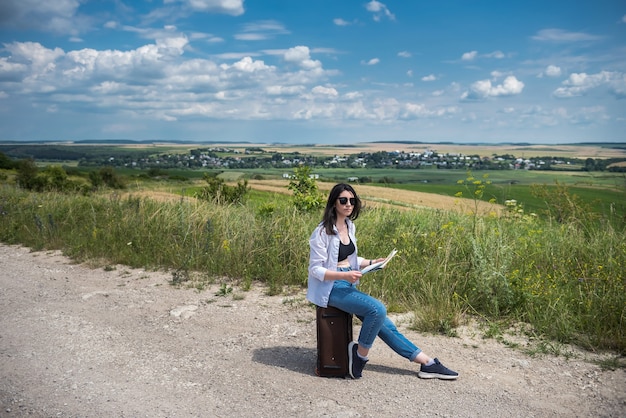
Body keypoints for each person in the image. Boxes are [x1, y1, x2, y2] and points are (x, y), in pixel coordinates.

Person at [307, 183, 459, 380]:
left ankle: (427, 363)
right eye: (343, 200)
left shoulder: (349, 226)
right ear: (333, 203)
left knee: (385, 324)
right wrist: (344, 275)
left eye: (352, 201)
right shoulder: (322, 232)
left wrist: (371, 262)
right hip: (331, 288)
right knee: (376, 310)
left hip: (347, 283)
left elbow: (350, 259)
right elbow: (316, 269)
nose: (348, 205)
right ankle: (359, 357)